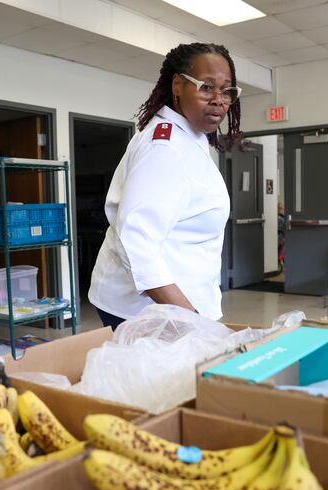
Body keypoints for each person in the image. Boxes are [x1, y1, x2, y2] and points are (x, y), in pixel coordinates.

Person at [88, 43, 243, 330]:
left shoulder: (191, 137)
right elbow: (136, 242)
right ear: (178, 85)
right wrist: (191, 321)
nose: (219, 100)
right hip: (147, 309)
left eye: (227, 91)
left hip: (177, 301)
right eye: (206, 87)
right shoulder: (165, 147)